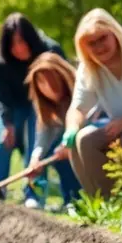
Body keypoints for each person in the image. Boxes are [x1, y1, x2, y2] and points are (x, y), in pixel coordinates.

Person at [0, 13, 73, 205]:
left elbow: (66, 88)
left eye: (22, 41)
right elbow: (0, 95)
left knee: (37, 147)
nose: (18, 48)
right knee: (1, 141)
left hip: (44, 105)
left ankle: (34, 195)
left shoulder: (50, 51)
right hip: (13, 105)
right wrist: (7, 124)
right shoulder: (2, 61)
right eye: (13, 43)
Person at [60, 9, 122, 197]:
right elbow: (78, 108)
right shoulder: (88, 69)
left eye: (103, 38)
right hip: (117, 127)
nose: (99, 47)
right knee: (81, 140)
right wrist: (71, 128)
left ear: (114, 33)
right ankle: (103, 201)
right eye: (92, 43)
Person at [24, 52, 81, 207]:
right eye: (41, 82)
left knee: (63, 156)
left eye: (50, 80)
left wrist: (68, 145)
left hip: (87, 144)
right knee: (51, 154)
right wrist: (35, 159)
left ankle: (76, 199)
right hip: (65, 147)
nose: (47, 87)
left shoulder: (80, 90)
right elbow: (44, 134)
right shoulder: (46, 105)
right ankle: (65, 198)